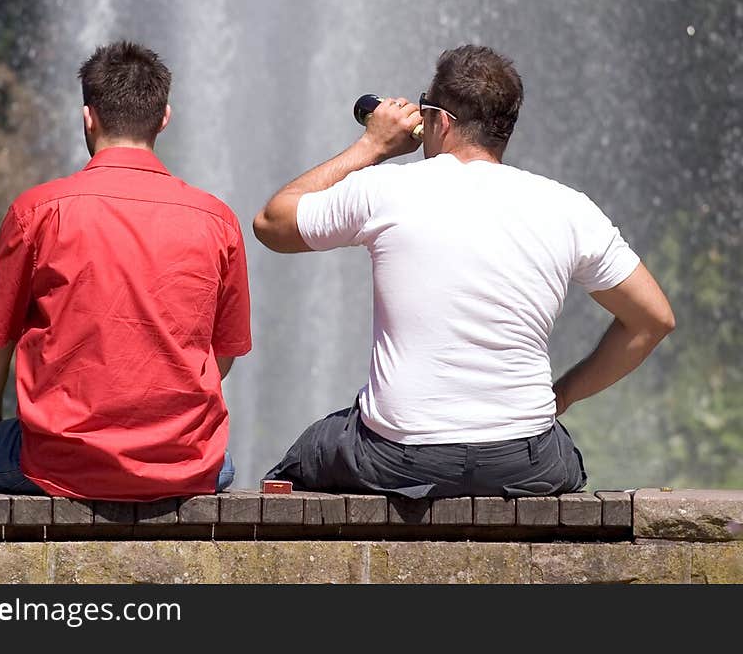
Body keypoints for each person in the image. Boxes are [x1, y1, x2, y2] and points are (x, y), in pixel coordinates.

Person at [253, 43, 674, 498]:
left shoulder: (387, 188)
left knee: (301, 460)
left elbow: (272, 223)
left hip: (400, 455)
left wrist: (372, 145)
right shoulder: (568, 207)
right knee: (564, 457)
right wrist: (563, 395)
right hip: (525, 456)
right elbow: (653, 320)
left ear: (442, 121)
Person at [0, 40, 251, 499]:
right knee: (224, 465)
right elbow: (220, 357)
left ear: (88, 117)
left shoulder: (38, 211)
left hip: (58, 464)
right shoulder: (218, 220)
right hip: (188, 464)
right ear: (164, 118)